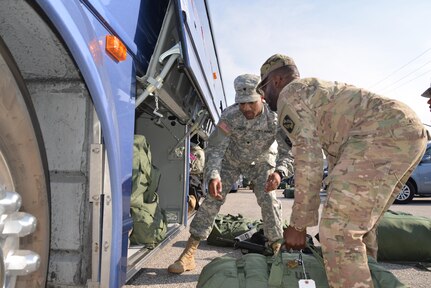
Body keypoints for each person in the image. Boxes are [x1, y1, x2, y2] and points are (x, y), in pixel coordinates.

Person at [257, 54, 428, 288]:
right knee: (359, 227)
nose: (263, 97)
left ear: (276, 80)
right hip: (406, 133)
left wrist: (298, 226)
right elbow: (336, 152)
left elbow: (308, 158)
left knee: (339, 231)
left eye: (263, 88)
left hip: (381, 134)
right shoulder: (315, 92)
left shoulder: (290, 95)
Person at [167, 73, 294, 274]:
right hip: (231, 161)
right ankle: (189, 253)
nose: (245, 108)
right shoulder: (230, 116)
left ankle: (277, 249)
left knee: (269, 200)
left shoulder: (276, 117)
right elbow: (215, 148)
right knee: (212, 199)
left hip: (261, 163)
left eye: (250, 102)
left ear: (261, 96)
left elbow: (288, 152)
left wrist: (279, 172)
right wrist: (213, 175)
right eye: (241, 103)